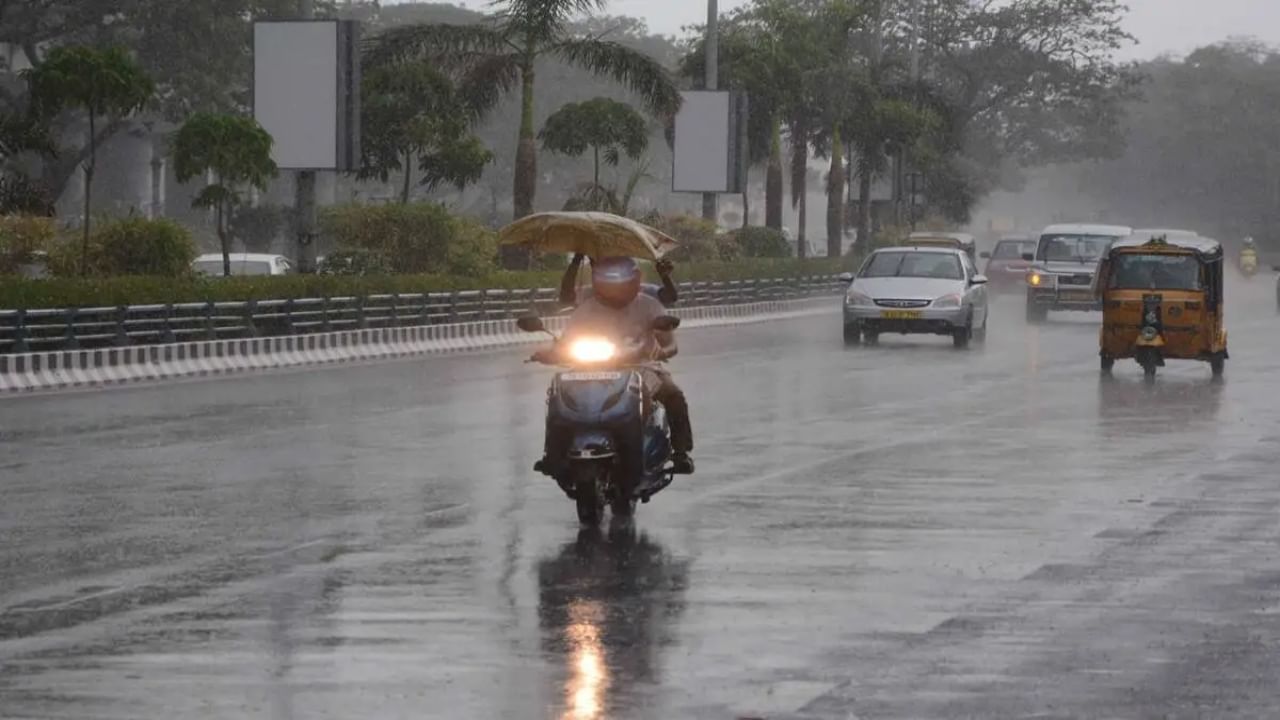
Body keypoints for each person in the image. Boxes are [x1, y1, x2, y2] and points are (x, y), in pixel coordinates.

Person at [537, 256, 695, 475]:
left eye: (620, 281)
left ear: (634, 280)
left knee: (674, 395)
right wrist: (550, 353)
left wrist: (661, 351)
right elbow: (567, 340)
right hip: (590, 368)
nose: (615, 288)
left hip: (642, 366)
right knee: (558, 394)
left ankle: (680, 452)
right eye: (608, 281)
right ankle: (553, 454)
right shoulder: (586, 307)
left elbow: (671, 345)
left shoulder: (649, 304)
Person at [559, 253, 678, 307]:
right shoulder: (593, 294)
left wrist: (665, 276)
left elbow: (671, 297)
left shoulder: (643, 291)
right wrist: (576, 261)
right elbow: (566, 298)